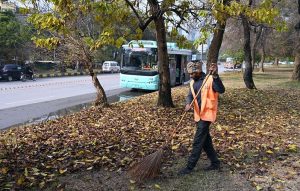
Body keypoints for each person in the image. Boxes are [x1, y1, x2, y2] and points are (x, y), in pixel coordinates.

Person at [179, 61, 225, 175]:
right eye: (189, 74)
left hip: (207, 115)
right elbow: (190, 95)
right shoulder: (192, 82)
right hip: (198, 115)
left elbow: (221, 90)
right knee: (205, 141)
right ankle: (215, 163)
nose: (190, 76)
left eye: (192, 74)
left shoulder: (210, 79)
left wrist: (215, 76)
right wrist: (188, 103)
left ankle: (189, 167)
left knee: (198, 141)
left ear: (198, 71)